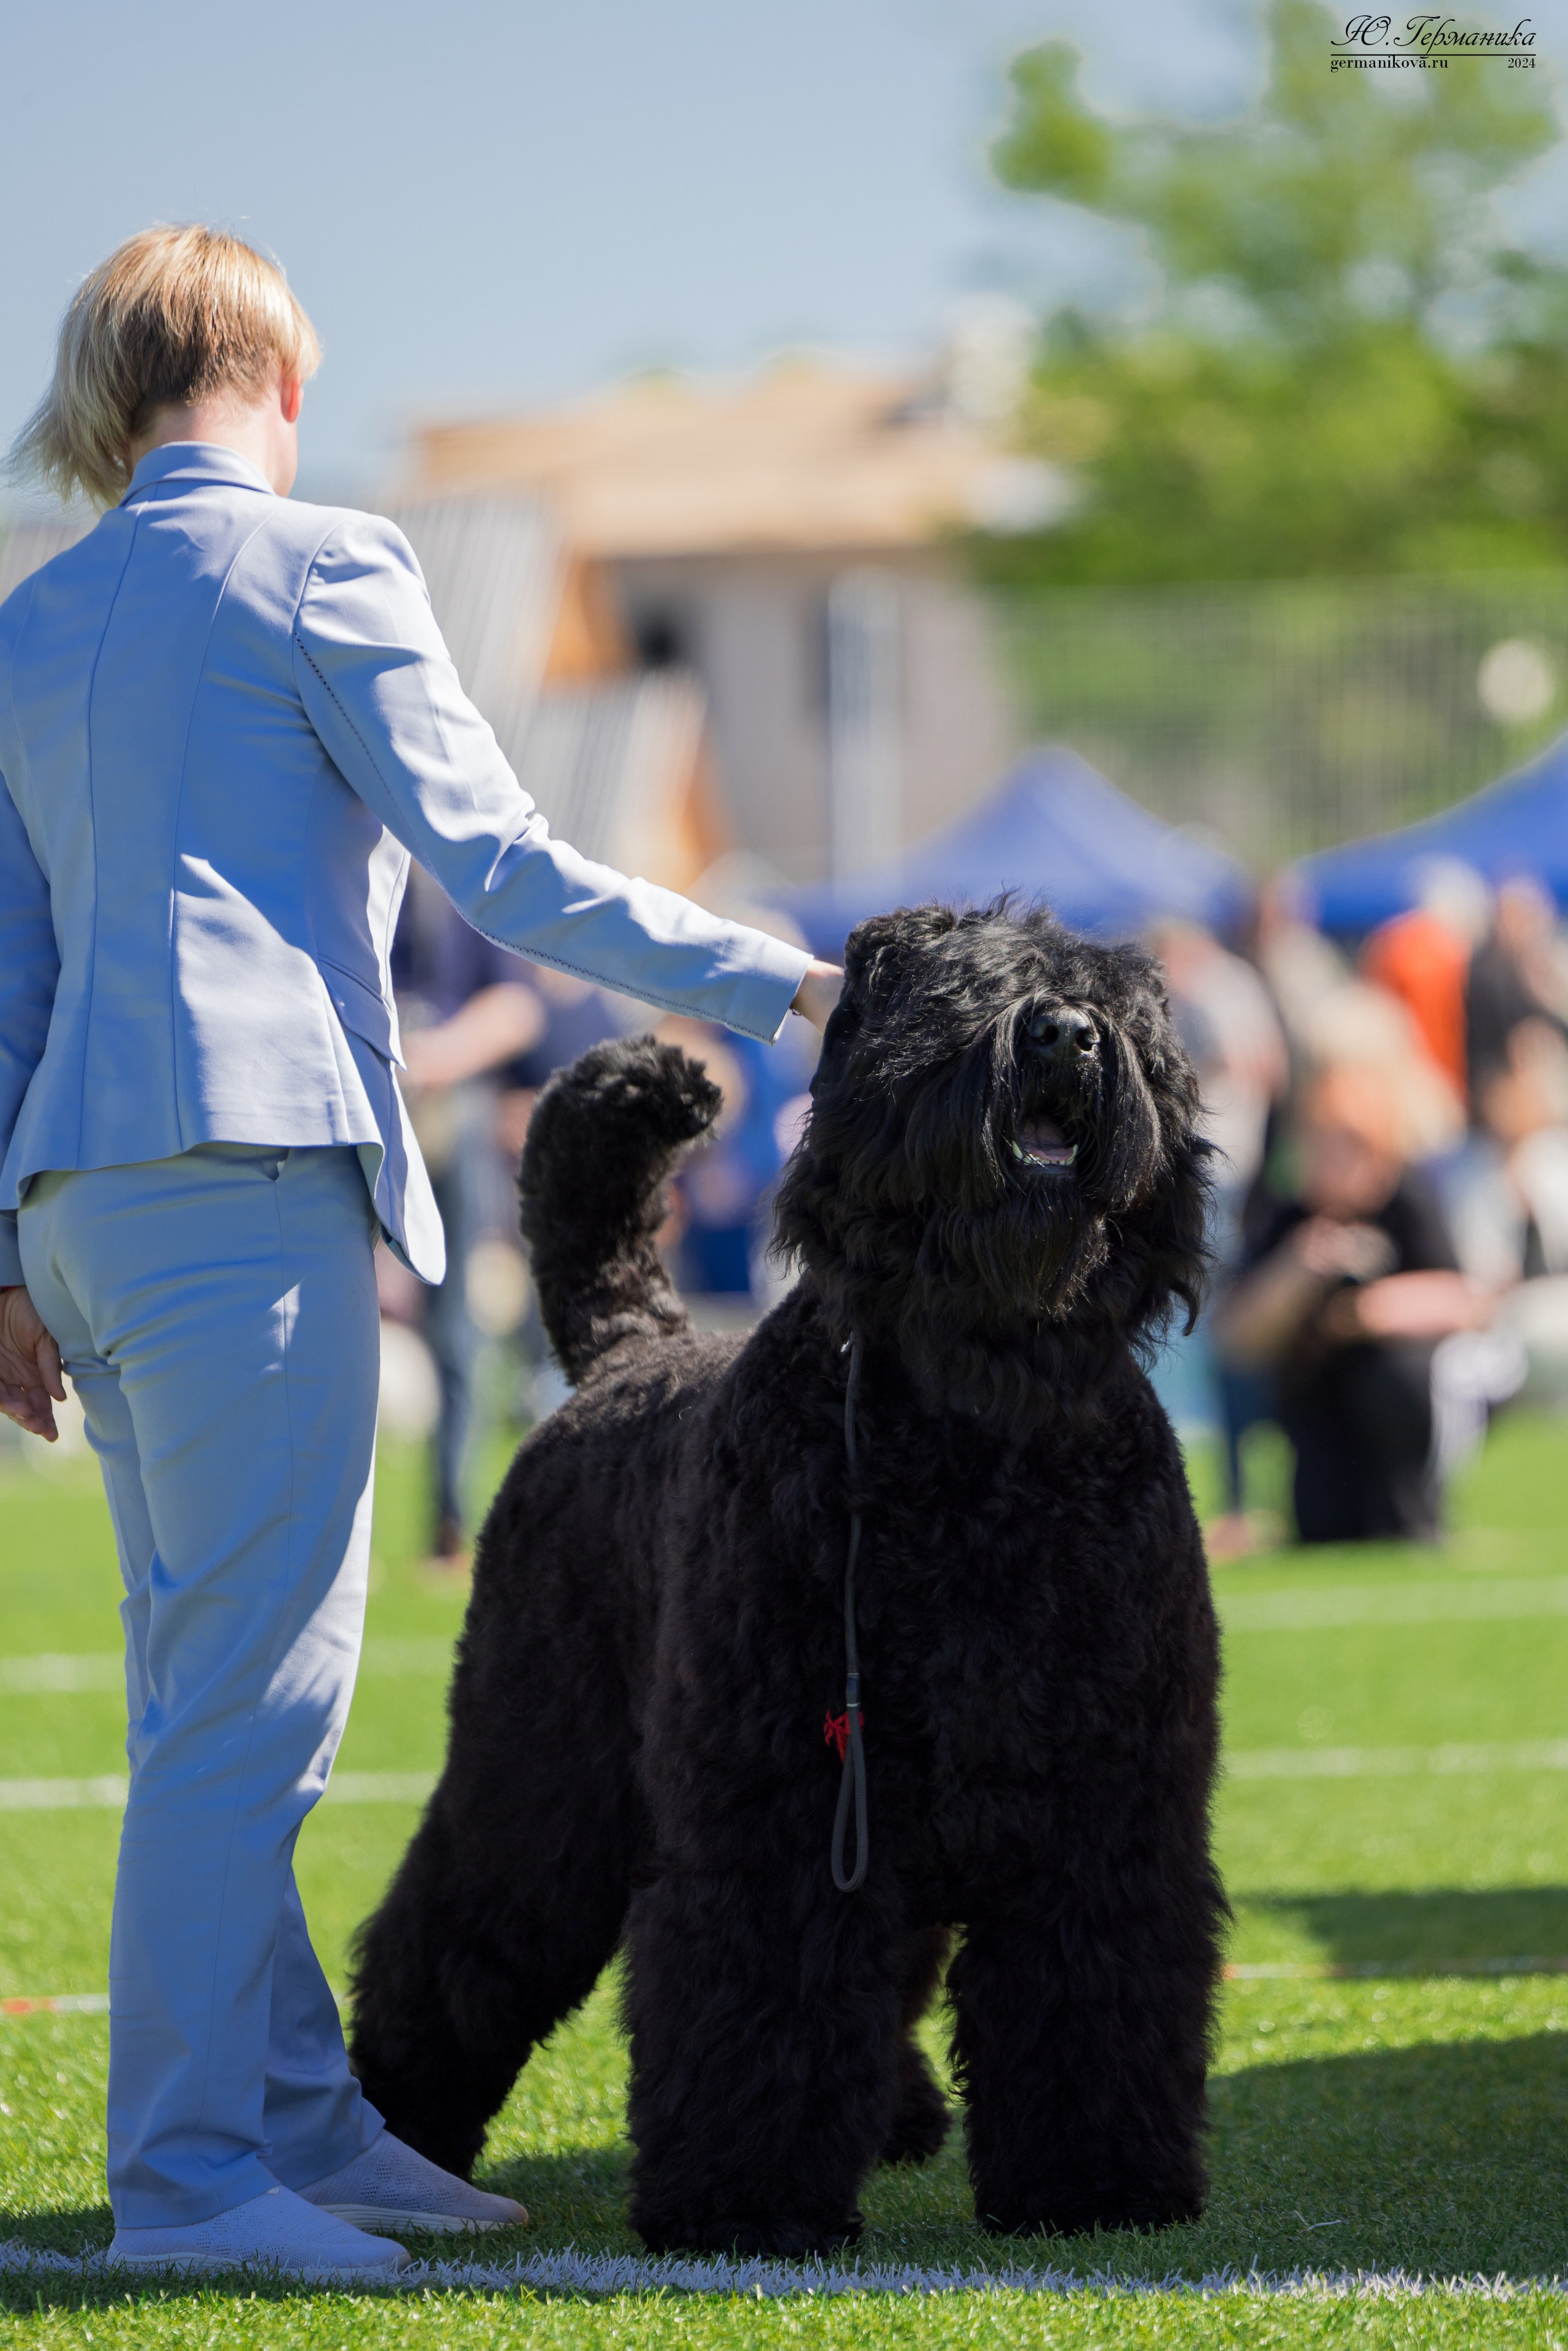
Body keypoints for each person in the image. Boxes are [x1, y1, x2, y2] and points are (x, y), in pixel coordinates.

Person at [0, 225, 841, 2279]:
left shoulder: (31, 617)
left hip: (86, 1206)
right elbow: (503, 861)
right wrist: (794, 982)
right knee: (249, 1708)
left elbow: (6, 971)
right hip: (243, 1177)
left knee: (210, 1687)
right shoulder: (326, 560)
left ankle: (297, 2117)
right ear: (275, 374)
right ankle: (195, 2179)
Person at [1215, 1063, 1488, 1545]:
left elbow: (1466, 1298)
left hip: (1397, 1387)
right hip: (1317, 1394)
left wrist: (1366, 1312)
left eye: (1340, 1148)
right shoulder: (1287, 1217)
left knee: (1393, 1385)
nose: (1323, 1162)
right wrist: (1298, 1269)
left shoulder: (1406, 1199)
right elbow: (1235, 1340)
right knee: (1324, 1526)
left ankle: (1417, 1510)